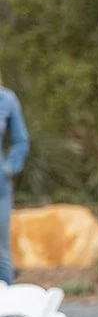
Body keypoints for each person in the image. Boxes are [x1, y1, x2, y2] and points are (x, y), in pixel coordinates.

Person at [0, 74, 29, 285]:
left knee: (1, 253)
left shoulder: (6, 100)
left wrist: (9, 169)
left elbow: (20, 141)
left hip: (0, 186)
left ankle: (3, 315)